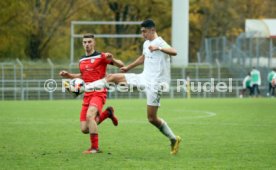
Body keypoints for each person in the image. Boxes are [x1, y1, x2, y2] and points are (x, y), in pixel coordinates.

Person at [82, 19, 181, 155]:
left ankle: (174, 139)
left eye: (144, 31)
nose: (142, 35)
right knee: (112, 77)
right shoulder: (146, 43)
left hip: (155, 84)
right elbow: (143, 57)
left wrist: (159, 48)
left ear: (152, 30)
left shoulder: (159, 42)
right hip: (143, 78)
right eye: (141, 32)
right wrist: (128, 67)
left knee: (152, 118)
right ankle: (85, 87)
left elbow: (174, 51)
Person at [59, 33, 124, 154]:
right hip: (87, 94)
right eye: (85, 42)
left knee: (90, 116)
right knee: (84, 129)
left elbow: (121, 65)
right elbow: (83, 76)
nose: (87, 44)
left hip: (99, 92)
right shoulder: (82, 60)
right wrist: (69, 75)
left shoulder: (101, 56)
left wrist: (112, 58)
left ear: (94, 43)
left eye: (89, 42)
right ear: (82, 44)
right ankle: (107, 113)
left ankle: (95, 148)